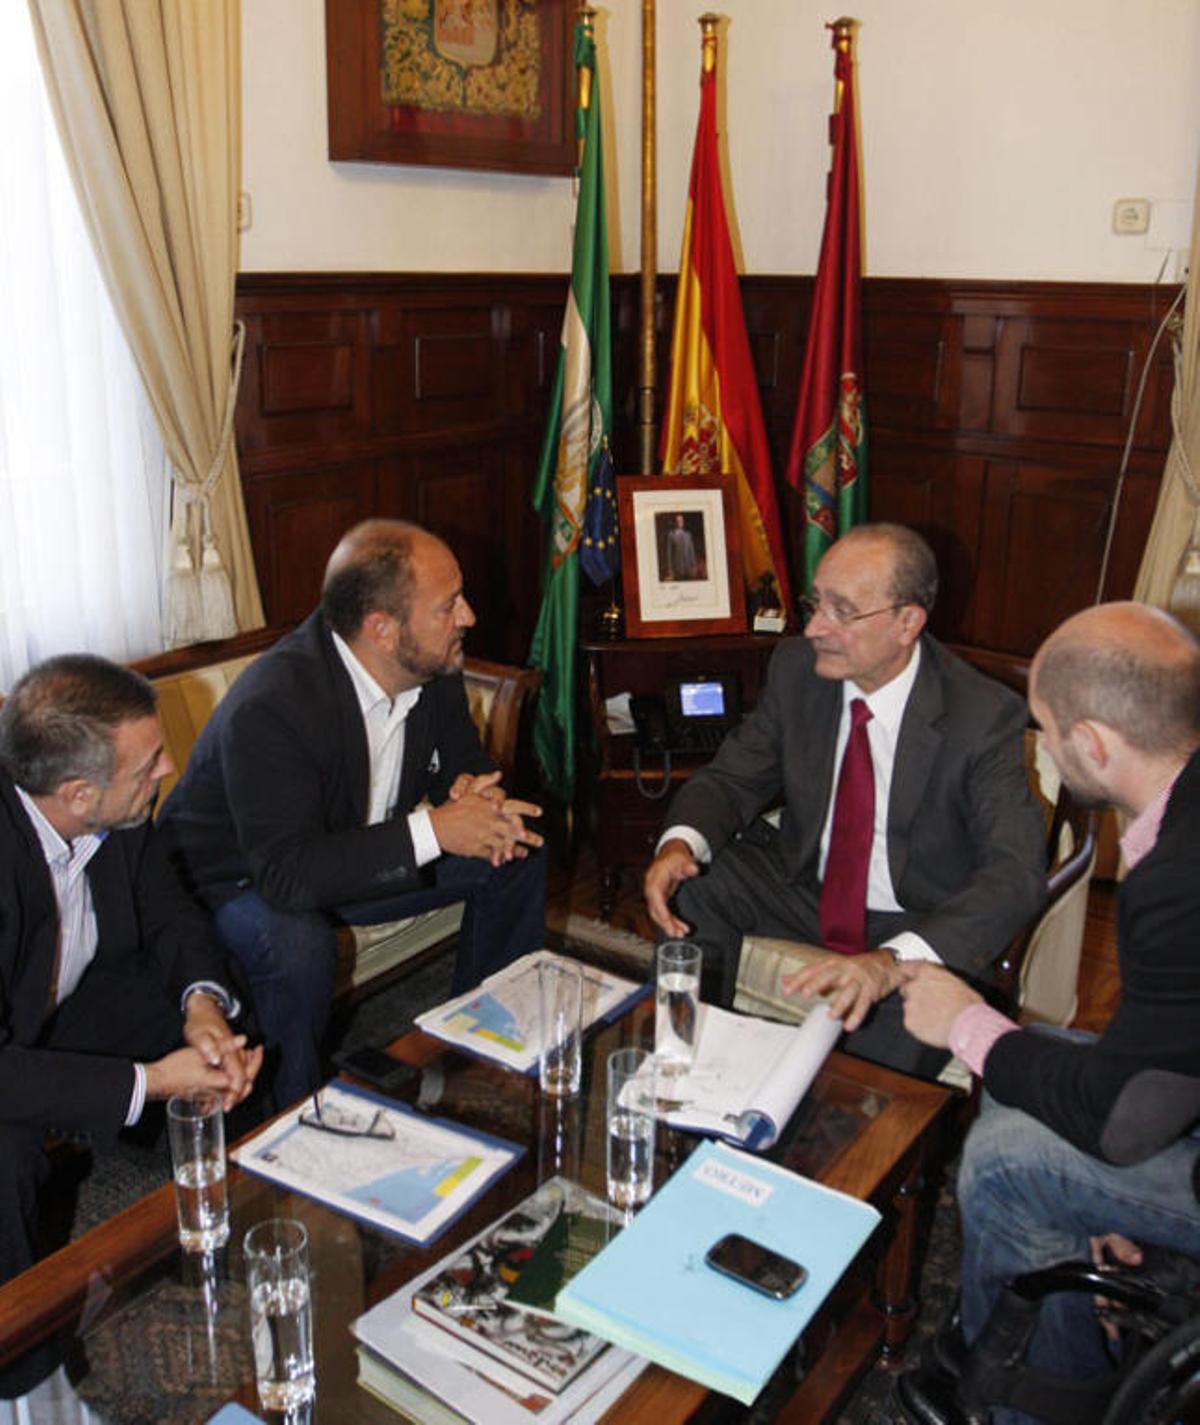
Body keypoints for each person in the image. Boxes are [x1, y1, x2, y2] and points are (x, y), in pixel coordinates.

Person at [897, 602, 1200, 1424]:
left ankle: (1045, 1404)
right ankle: (1044, 1350)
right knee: (1025, 1077)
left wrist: (964, 1020)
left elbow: (1127, 1122)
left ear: (1093, 744)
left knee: (1005, 1161)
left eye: (1046, 730)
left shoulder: (1180, 879)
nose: (1047, 750)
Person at [159, 519, 546, 1107]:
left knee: (516, 844)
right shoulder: (275, 704)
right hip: (238, 881)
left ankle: (476, 1048)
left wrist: (473, 792)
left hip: (347, 855)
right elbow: (287, 875)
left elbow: (457, 760)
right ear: (382, 630)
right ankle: (286, 1116)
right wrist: (438, 828)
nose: (468, 616)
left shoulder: (430, 666)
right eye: (449, 605)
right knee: (299, 946)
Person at [642, 522, 1046, 1076]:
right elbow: (732, 777)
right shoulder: (798, 672)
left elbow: (1016, 871)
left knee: (875, 1066)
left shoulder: (982, 716)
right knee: (694, 888)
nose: (814, 628)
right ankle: (681, 1062)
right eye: (815, 603)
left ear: (908, 622)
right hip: (806, 886)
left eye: (842, 611)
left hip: (912, 915)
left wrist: (890, 962)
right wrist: (677, 846)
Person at [0, 655, 261, 1394]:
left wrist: (202, 1009)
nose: (169, 766)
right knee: (6, 1147)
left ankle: (249, 1192)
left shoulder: (113, 809)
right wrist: (152, 1080)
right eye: (150, 762)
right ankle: (23, 1366)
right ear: (79, 793)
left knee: (204, 995)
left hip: (53, 995)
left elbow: (169, 910)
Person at [664, 513, 700, 580]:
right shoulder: (671, 535)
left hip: (689, 569)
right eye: (677, 521)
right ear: (675, 522)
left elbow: (691, 552)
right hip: (677, 569)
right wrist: (670, 569)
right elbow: (669, 554)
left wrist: (694, 566)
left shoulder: (688, 535)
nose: (679, 522)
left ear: (683, 522)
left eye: (681, 521)